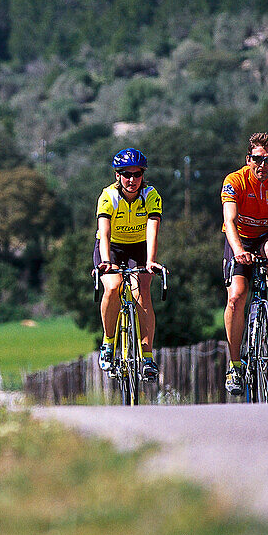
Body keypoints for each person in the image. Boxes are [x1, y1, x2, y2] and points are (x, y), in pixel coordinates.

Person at [221, 131, 268, 396]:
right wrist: (239, 251)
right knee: (236, 298)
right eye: (257, 159)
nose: (262, 165)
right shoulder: (235, 181)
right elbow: (229, 221)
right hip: (240, 239)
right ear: (248, 159)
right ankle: (234, 365)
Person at [95, 148, 164, 381]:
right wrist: (106, 262)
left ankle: (146, 357)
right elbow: (103, 233)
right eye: (127, 174)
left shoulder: (151, 195)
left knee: (142, 292)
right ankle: (108, 342)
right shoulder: (108, 196)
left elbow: (152, 231)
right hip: (111, 248)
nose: (132, 180)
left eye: (137, 174)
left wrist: (151, 261)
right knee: (113, 287)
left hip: (139, 247)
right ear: (118, 175)